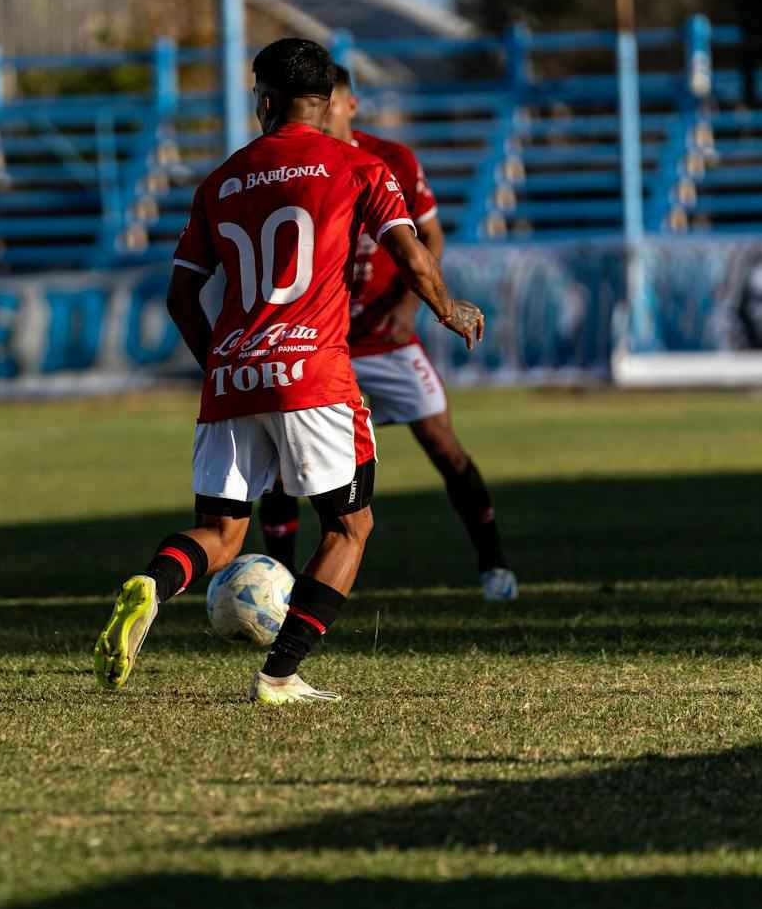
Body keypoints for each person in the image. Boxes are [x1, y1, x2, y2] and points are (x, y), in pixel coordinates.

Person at [90, 38, 485, 705]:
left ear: (264, 102)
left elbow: (181, 295)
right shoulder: (355, 166)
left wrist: (222, 362)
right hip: (314, 374)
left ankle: (154, 584)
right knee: (348, 527)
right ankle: (279, 676)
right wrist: (447, 307)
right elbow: (411, 252)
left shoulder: (220, 181)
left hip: (232, 375)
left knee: (219, 533)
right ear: (329, 101)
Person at [256, 64, 517, 602]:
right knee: (284, 469)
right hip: (314, 344)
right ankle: (274, 587)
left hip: (385, 339)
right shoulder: (285, 168)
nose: (320, 115)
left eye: (331, 104)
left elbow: (429, 237)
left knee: (444, 446)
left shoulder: (389, 161)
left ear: (349, 105)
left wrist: (408, 306)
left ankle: (494, 565)